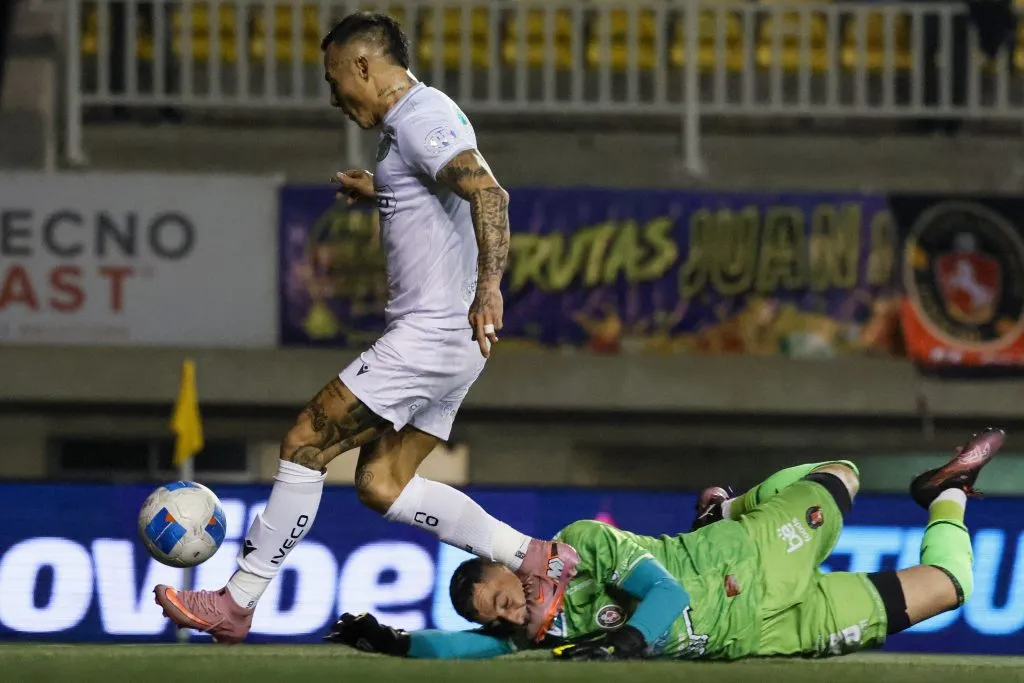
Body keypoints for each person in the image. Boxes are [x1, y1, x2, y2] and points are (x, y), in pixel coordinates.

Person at [154, 12, 577, 643]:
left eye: (335, 80)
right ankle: (535, 558)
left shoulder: (421, 118)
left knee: (306, 441)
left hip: (433, 333)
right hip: (455, 342)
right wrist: (386, 190)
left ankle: (237, 601)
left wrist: (491, 285)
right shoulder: (417, 123)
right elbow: (438, 191)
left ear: (363, 64)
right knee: (383, 484)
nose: (334, 97)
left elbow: (490, 195)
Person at [324, 428, 1002, 661]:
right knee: (950, 587)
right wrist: (395, 641)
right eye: (499, 616)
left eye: (504, 595)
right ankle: (947, 493)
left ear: (509, 564)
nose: (511, 610)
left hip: (749, 556)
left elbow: (666, 594)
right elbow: (460, 648)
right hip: (769, 632)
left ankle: (726, 508)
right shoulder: (539, 634)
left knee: (843, 473)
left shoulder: (581, 543)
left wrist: (629, 640)